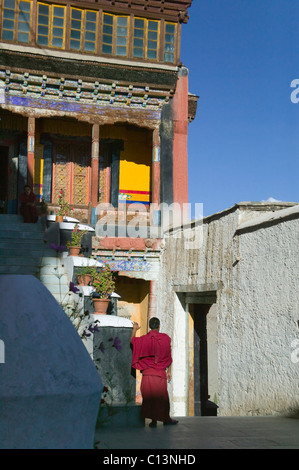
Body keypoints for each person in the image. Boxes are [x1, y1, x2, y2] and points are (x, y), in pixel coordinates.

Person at [131, 317, 178, 427]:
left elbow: (132, 341)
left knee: (149, 398)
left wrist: (135, 329)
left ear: (149, 326)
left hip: (147, 374)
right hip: (160, 374)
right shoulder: (165, 339)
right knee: (162, 398)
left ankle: (153, 421)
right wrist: (169, 371)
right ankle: (165, 420)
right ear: (159, 326)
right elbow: (168, 357)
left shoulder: (144, 339)